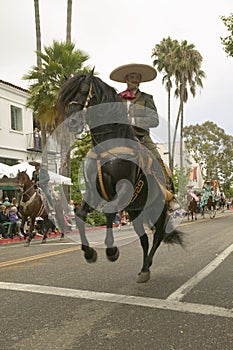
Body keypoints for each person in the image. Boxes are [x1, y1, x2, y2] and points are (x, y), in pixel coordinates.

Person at [109, 63, 179, 211]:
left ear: (140, 81)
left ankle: (169, 194)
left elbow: (154, 120)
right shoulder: (117, 99)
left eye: (137, 77)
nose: (134, 79)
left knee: (157, 159)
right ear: (126, 79)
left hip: (141, 137)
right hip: (122, 139)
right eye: (131, 77)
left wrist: (133, 121)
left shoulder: (147, 98)